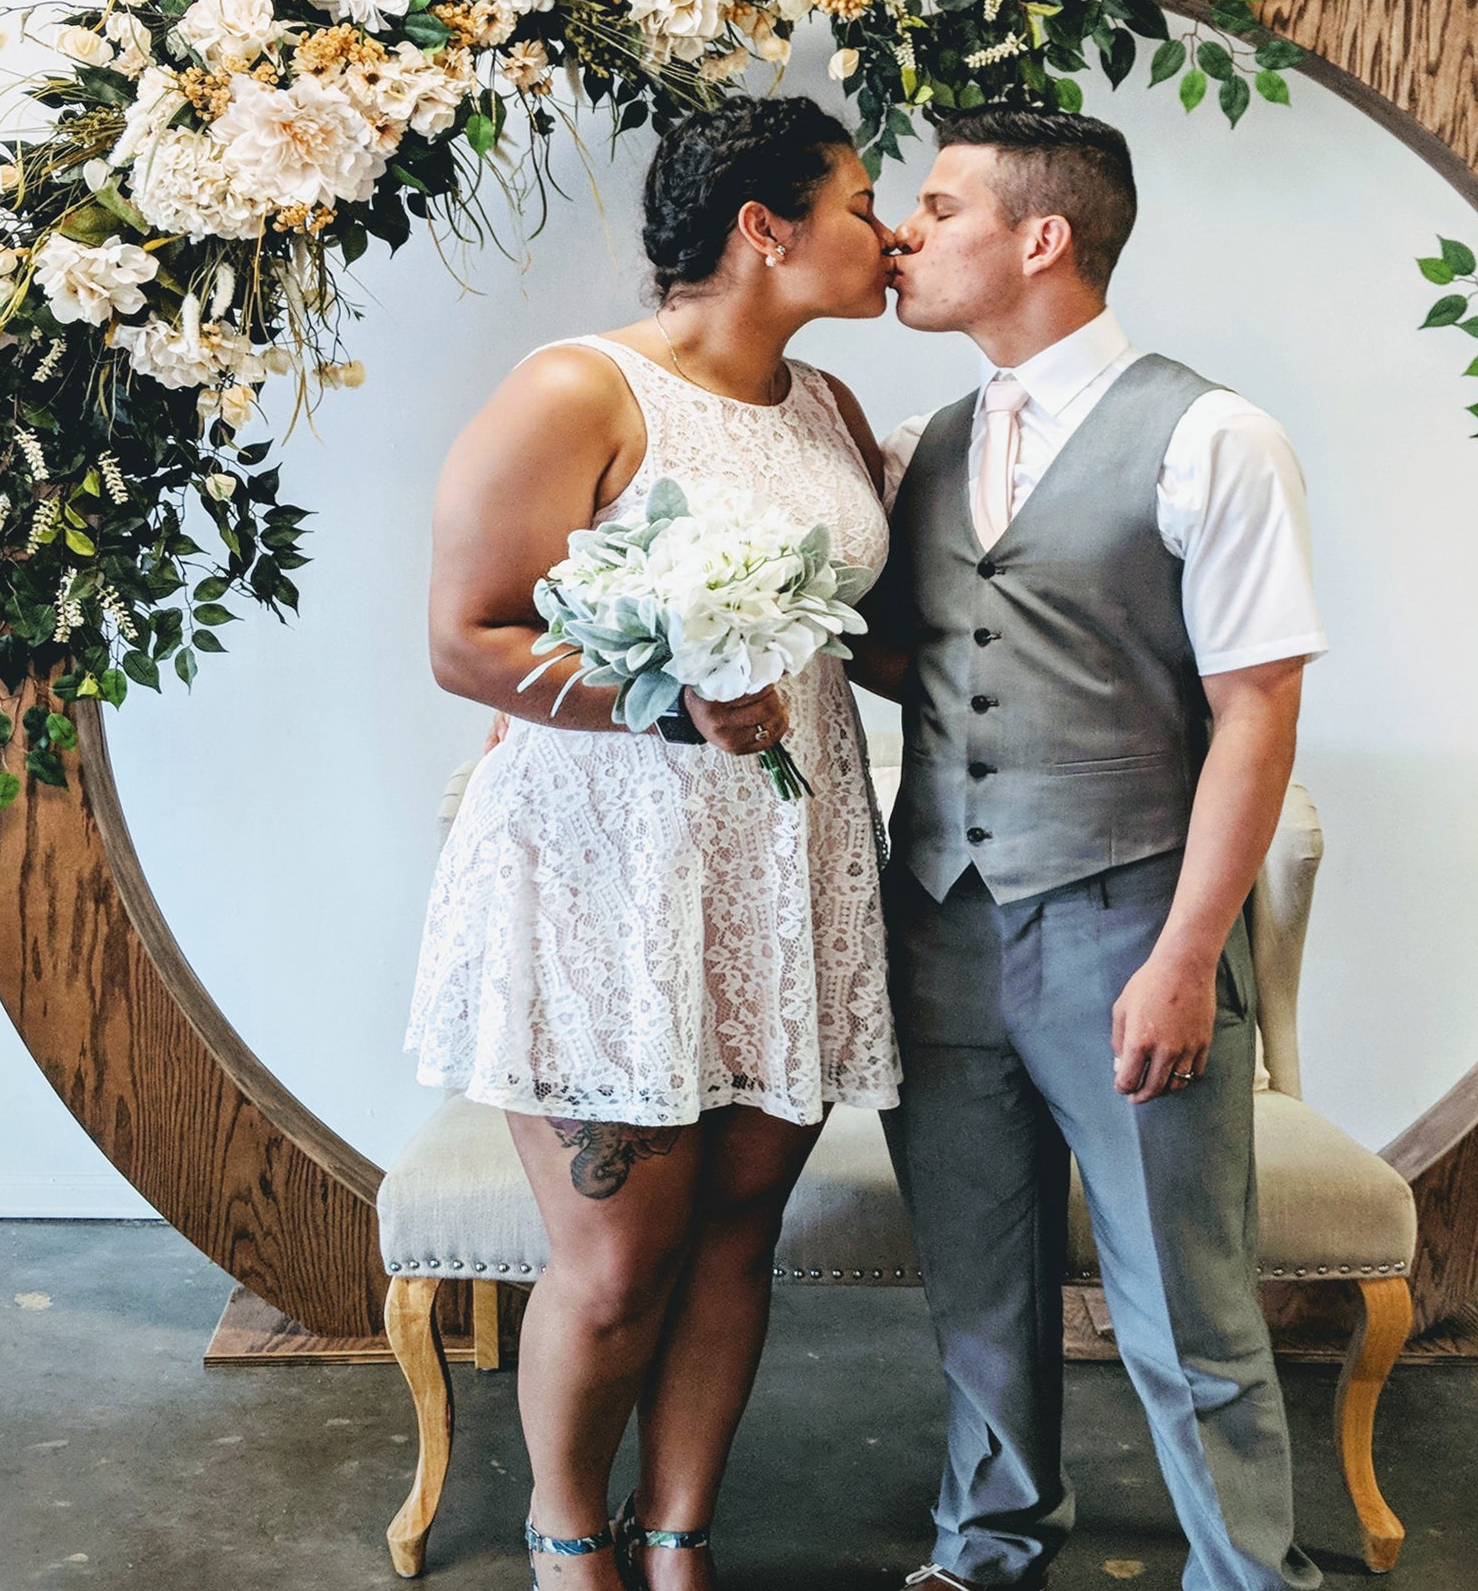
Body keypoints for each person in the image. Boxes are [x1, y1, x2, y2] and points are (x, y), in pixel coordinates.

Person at [405, 96, 903, 1590]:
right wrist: (667, 706)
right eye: (862, 202)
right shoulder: (580, 389)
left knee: (742, 1229)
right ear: (765, 227)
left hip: (782, 868)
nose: (888, 233)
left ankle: (679, 1533)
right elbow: (465, 640)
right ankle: (569, 1537)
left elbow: (866, 640)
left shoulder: (827, 407)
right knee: (619, 1260)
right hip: (608, 874)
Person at [872, 108, 1328, 1591]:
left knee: (1184, 1307)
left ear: (1041, 238)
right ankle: (986, 1547)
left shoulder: (1214, 438)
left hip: (1127, 924)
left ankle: (1247, 1578)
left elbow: (1258, 710)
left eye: (941, 207)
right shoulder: (930, 445)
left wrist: (1188, 956)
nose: (904, 233)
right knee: (976, 1284)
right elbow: (942, 655)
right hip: (939, 920)